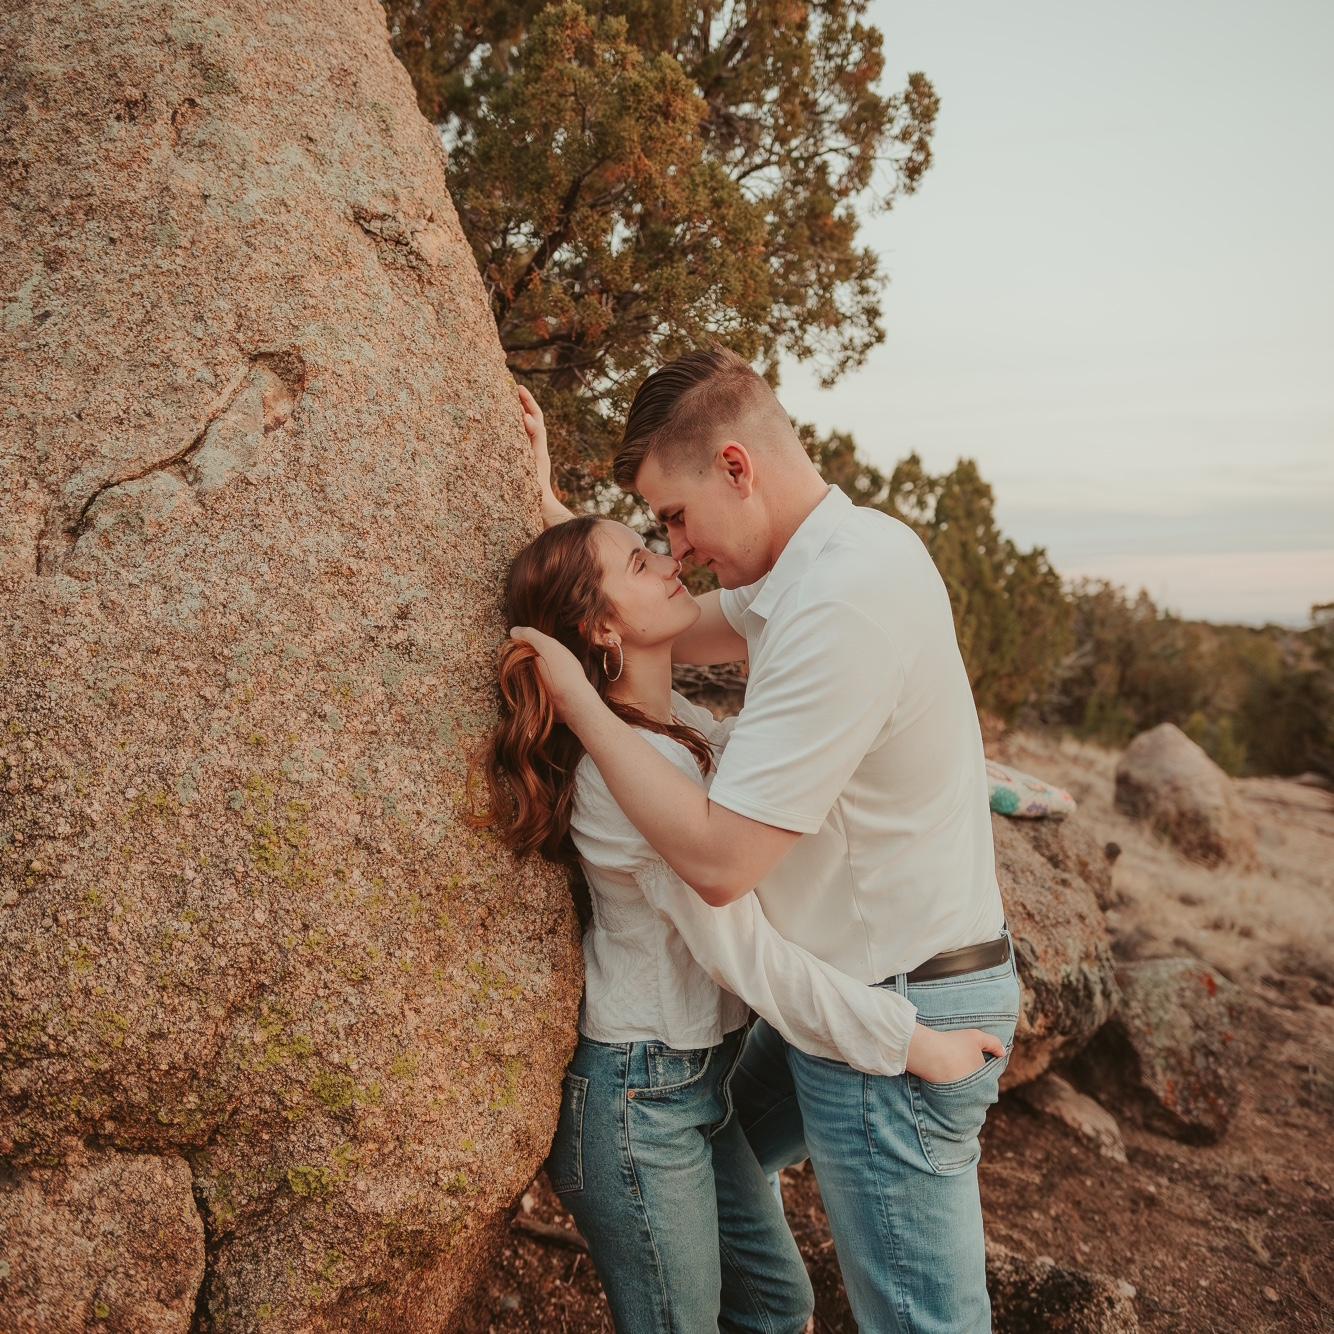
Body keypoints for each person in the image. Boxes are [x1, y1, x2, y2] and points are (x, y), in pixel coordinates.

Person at [472, 386, 1006, 1334]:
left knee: (858, 1315)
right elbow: (633, 617)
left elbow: (718, 863)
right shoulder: (846, 558)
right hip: (705, 1061)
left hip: (880, 993)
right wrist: (555, 521)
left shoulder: (830, 607)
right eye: (652, 547)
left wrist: (580, 694)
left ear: (735, 467)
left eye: (671, 523)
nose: (677, 555)